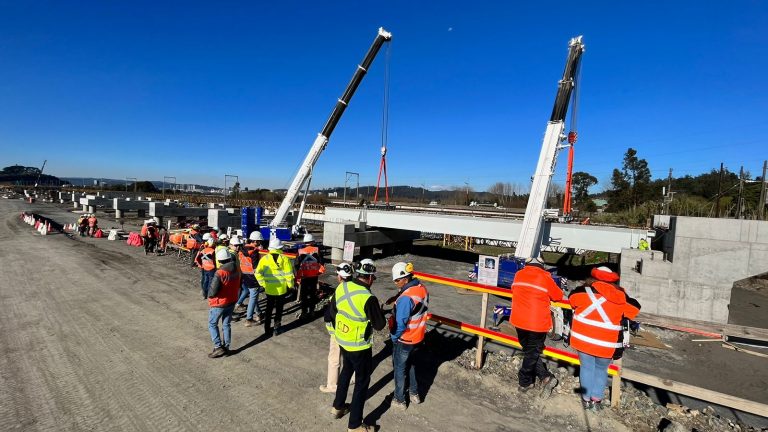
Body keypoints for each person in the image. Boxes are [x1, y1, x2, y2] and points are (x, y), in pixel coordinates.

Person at [569, 267, 641, 410]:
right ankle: (596, 401)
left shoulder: (581, 292)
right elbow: (634, 309)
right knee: (601, 370)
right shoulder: (621, 297)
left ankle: (586, 400)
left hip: (584, 340)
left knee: (587, 368)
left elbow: (571, 300)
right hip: (607, 343)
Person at [326, 259, 386, 432]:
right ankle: (354, 425)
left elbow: (333, 311)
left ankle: (337, 407)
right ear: (370, 277)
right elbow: (380, 325)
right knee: (361, 383)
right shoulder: (368, 298)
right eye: (373, 277)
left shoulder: (342, 287)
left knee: (346, 372)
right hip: (360, 346)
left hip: (343, 340)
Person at [510, 256, 564, 397]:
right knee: (532, 352)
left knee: (529, 351)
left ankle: (545, 377)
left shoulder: (518, 274)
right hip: (536, 323)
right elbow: (558, 296)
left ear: (527, 264)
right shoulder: (545, 277)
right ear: (542, 266)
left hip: (518, 320)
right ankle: (524, 381)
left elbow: (514, 291)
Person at [388, 261, 429, 409]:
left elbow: (400, 324)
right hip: (418, 337)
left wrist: (393, 338)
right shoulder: (421, 288)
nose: (395, 283)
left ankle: (399, 400)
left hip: (405, 339)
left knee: (399, 369)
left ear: (405, 278)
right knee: (411, 365)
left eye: (397, 280)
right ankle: (414, 394)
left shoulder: (406, 298)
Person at [320, 262, 355, 394]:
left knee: (334, 357)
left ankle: (332, 385)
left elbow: (331, 313)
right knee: (350, 357)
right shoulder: (357, 288)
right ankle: (353, 376)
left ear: (340, 277)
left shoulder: (340, 291)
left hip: (339, 329)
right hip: (353, 330)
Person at [255, 238, 294, 337]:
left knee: (269, 310)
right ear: (280, 247)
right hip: (281, 289)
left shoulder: (264, 259)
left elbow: (258, 273)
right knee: (279, 310)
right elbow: (289, 274)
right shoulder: (285, 259)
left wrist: (263, 284)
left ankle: (267, 329)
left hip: (269, 289)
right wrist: (290, 286)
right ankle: (277, 328)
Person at [206, 247, 241, 358]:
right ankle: (226, 347)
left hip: (219, 303)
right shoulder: (236, 268)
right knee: (226, 324)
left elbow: (212, 291)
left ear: (219, 260)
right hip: (232, 300)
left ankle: (218, 347)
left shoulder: (220, 273)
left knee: (212, 324)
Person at [237, 231, 266, 326]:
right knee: (253, 298)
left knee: (254, 296)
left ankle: (258, 313)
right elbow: (255, 267)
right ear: (256, 241)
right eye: (259, 241)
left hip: (244, 276)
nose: (260, 243)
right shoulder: (254, 252)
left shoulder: (242, 249)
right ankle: (249, 319)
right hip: (253, 277)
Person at [296, 233, 325, 321]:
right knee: (312, 295)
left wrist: (298, 275)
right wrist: (318, 272)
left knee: (304, 296)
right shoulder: (317, 250)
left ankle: (304, 313)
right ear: (312, 241)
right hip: (313, 276)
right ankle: (312, 312)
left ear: (305, 242)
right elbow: (322, 262)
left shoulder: (300, 251)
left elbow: (296, 265)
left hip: (304, 276)